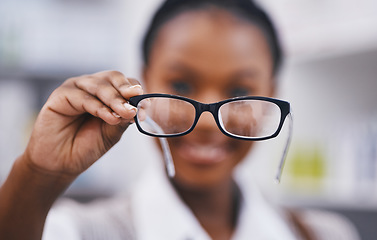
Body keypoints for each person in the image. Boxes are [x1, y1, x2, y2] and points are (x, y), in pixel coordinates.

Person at [0, 0, 360, 239]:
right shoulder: (76, 231)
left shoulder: (323, 234)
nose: (206, 122)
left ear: (271, 93)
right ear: (141, 81)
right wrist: (38, 173)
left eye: (239, 92)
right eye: (181, 84)